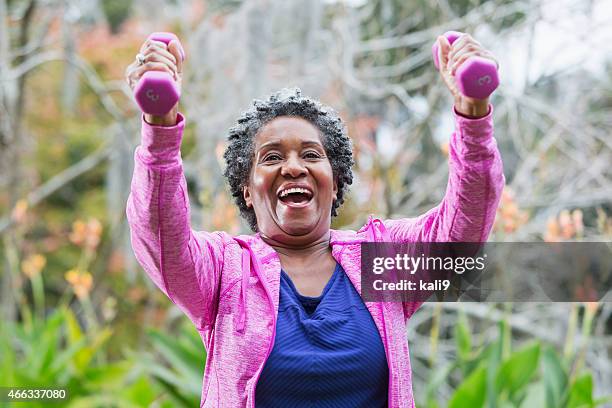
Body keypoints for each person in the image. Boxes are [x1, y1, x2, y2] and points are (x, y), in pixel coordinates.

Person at [125, 34, 504, 408]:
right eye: (272, 157)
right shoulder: (224, 270)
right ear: (246, 188)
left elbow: (461, 232)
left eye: (311, 154)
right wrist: (159, 127)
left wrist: (473, 115)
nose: (293, 167)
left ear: (334, 179)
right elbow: (161, 238)